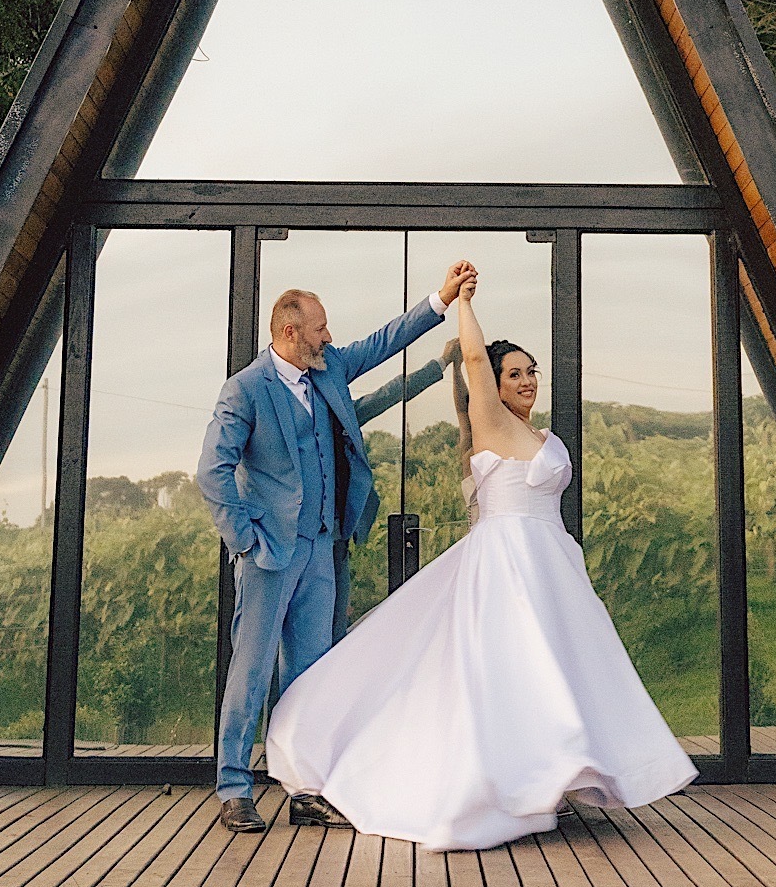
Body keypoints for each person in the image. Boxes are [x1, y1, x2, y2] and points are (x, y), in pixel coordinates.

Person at [265, 273, 698, 851]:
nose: (527, 381)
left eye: (531, 371)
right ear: (492, 387)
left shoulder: (539, 433)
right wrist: (462, 302)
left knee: (563, 673)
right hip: (507, 566)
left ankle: (554, 778)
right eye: (514, 373)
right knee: (511, 675)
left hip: (551, 567)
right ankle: (509, 786)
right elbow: (472, 356)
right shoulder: (491, 427)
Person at [196, 262, 476, 834]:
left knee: (312, 673)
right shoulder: (245, 390)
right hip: (270, 554)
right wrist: (246, 539)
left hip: (323, 548)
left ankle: (304, 788)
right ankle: (233, 786)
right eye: (320, 328)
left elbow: (382, 342)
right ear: (289, 332)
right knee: (250, 672)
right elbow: (212, 473)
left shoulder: (327, 370)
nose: (330, 337)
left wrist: (439, 300)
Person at [334, 337, 461, 642]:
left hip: (337, 543)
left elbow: (389, 394)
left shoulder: (339, 416)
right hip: (295, 545)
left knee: (334, 631)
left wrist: (442, 362)